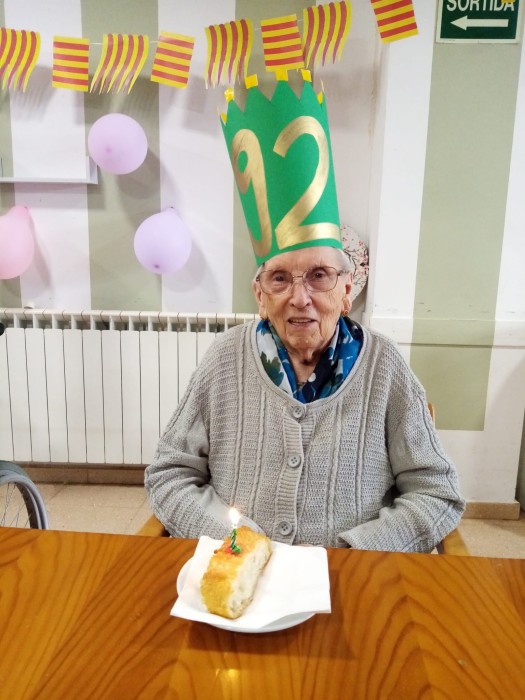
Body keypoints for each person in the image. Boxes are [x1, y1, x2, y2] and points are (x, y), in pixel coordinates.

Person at [145, 73, 465, 551]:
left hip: (349, 581)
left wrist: (354, 554)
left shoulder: (384, 367)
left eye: (319, 275)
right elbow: (169, 474)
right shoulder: (224, 360)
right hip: (241, 576)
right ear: (259, 294)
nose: (300, 297)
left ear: (347, 290)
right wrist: (233, 541)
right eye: (280, 278)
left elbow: (437, 492)